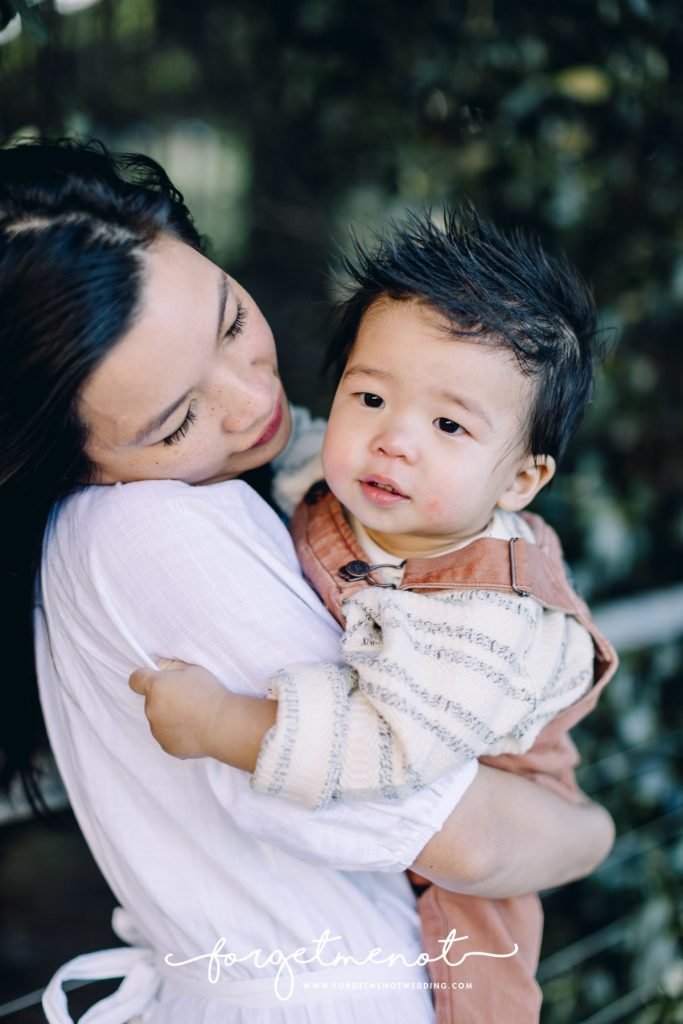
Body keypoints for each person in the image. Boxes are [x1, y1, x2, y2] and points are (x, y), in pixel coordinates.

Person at [0, 138, 614, 1024]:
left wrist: (575, 822)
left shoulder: (471, 581)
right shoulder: (149, 524)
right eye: (176, 421)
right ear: (63, 454)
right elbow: (453, 834)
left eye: (229, 324)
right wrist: (588, 832)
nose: (251, 404)